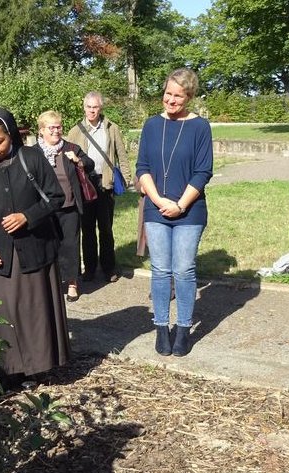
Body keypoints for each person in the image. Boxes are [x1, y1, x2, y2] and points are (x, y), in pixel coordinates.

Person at [0, 107, 70, 386]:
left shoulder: (31, 158)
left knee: (33, 310)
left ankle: (36, 367)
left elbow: (56, 197)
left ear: (11, 137)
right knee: (1, 314)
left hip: (33, 251)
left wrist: (27, 216)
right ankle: (4, 372)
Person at [136, 68, 213, 357]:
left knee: (183, 269)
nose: (170, 100)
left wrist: (179, 204)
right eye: (167, 93)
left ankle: (182, 329)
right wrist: (157, 199)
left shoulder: (200, 127)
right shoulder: (151, 125)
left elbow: (203, 171)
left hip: (189, 211)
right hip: (156, 209)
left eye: (178, 95)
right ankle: (160, 328)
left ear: (189, 96)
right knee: (160, 270)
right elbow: (142, 167)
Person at [68, 91, 131, 283]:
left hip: (105, 183)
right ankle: (90, 268)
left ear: (100, 108)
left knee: (106, 228)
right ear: (84, 107)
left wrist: (126, 178)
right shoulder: (75, 131)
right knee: (87, 229)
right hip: (85, 184)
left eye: (95, 107)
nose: (91, 111)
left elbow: (122, 154)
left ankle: (108, 267)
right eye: (88, 107)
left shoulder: (112, 128)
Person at [33, 110, 94, 302]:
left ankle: (72, 283)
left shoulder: (71, 148)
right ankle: (51, 283)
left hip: (69, 207)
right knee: (48, 245)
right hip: (45, 209)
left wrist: (78, 161)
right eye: (52, 127)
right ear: (41, 130)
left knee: (70, 245)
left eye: (59, 127)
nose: (57, 131)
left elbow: (90, 163)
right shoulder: (34, 152)